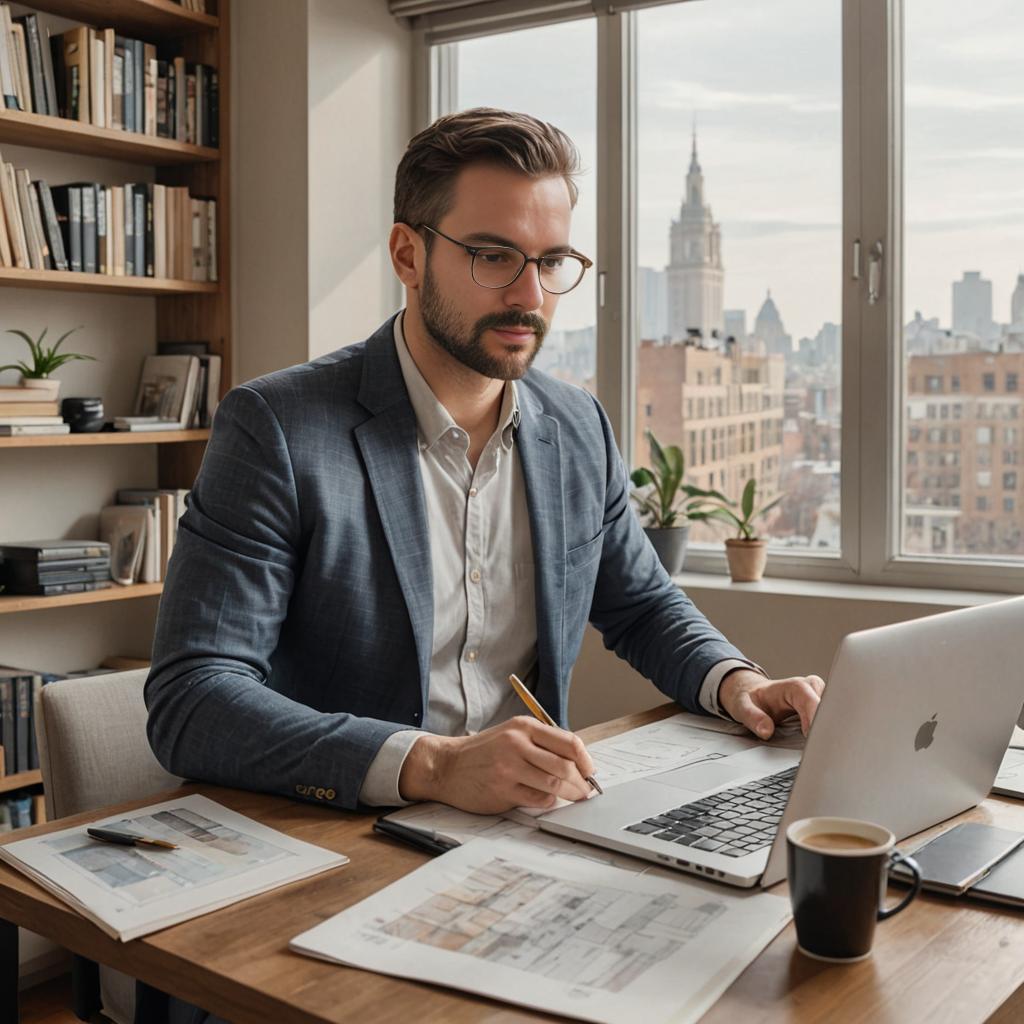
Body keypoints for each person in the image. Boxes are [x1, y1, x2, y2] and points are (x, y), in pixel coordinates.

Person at [145, 107, 824, 821]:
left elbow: (641, 604)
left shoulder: (577, 425)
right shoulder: (278, 428)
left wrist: (736, 683)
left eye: (552, 262)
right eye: (493, 256)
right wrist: (433, 765)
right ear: (408, 256)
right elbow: (191, 698)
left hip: (526, 830)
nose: (530, 297)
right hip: (337, 831)